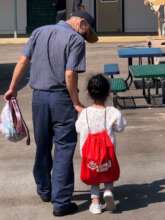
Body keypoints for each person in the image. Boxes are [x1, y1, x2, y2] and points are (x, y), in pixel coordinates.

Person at [4, 11, 98, 217]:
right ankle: (61, 202)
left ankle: (45, 190)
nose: (85, 38)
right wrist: (76, 102)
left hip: (38, 98)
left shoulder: (39, 31)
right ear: (82, 24)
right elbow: (70, 73)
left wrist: (12, 88)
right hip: (61, 100)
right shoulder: (75, 39)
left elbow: (22, 60)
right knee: (64, 148)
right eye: (87, 32)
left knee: (43, 145)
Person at [75, 74, 126, 214]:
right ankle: (108, 191)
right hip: (107, 151)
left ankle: (95, 203)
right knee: (108, 171)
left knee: (94, 176)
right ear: (108, 93)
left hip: (89, 152)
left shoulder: (84, 113)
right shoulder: (112, 112)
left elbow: (78, 128)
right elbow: (121, 127)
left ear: (89, 93)